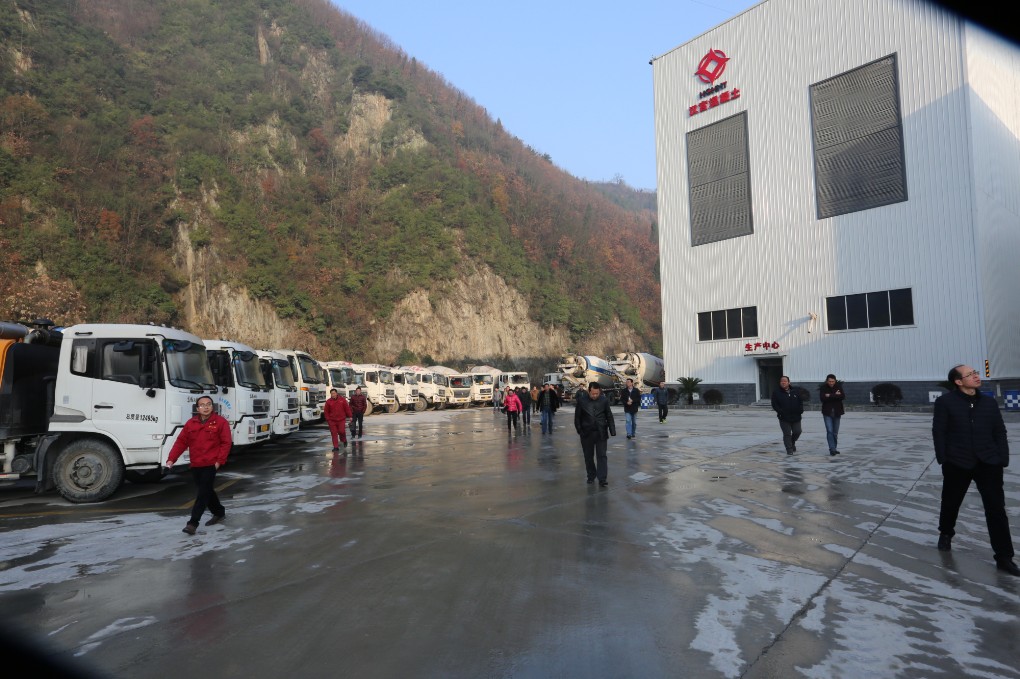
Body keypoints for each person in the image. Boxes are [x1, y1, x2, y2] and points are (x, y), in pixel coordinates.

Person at [933, 364, 1018, 575]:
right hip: (958, 462)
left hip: (989, 462)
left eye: (976, 373)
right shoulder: (946, 402)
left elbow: (999, 431)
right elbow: (939, 431)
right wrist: (944, 459)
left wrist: (1002, 458)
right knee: (951, 502)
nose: (976, 376)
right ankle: (946, 532)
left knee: (996, 509)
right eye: (970, 374)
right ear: (958, 381)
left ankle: (1004, 557)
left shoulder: (989, 402)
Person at [166, 395, 232, 535]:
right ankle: (219, 512)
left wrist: (219, 461)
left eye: (208, 404)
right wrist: (171, 459)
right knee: (207, 491)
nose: (206, 407)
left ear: (212, 407)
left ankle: (193, 523)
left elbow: (226, 443)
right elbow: (181, 442)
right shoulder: (191, 423)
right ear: (197, 408)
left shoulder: (220, 422)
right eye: (202, 405)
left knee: (202, 493)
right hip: (196, 464)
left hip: (211, 464)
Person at [574, 382, 616, 486]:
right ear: (589, 391)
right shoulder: (582, 401)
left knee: (602, 456)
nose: (595, 395)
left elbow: (609, 415)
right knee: (588, 456)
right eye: (593, 393)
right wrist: (579, 430)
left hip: (601, 432)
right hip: (586, 433)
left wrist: (612, 430)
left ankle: (602, 478)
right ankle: (591, 476)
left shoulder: (604, 400)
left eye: (597, 393)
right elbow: (577, 417)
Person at [771, 376, 803, 455]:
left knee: (797, 431)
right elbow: (774, 404)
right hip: (784, 417)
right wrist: (780, 411)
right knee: (787, 434)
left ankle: (792, 442)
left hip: (796, 416)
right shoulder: (776, 392)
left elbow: (800, 402)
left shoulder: (795, 391)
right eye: (781, 381)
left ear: (789, 382)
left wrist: (800, 410)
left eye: (785, 381)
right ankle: (789, 449)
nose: (783, 382)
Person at [819, 374, 845, 456]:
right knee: (829, 431)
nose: (831, 383)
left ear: (835, 381)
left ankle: (834, 448)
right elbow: (822, 398)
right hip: (827, 413)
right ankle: (832, 448)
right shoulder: (823, 388)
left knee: (835, 432)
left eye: (833, 381)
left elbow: (842, 396)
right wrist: (835, 395)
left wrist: (829, 395)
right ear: (827, 381)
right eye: (830, 381)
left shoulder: (838, 387)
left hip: (837, 412)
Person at [323, 388, 352, 452]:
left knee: (341, 431)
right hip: (332, 420)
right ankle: (335, 447)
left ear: (336, 393)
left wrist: (350, 416)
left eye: (334, 393)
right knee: (334, 433)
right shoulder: (328, 402)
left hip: (341, 419)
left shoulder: (342, 400)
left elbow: (347, 409)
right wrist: (328, 420)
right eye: (331, 394)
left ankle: (344, 440)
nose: (333, 395)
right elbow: (326, 412)